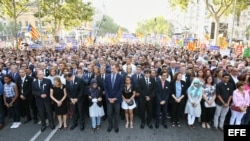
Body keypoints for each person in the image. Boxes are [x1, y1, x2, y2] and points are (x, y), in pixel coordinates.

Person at [104, 64, 124, 133]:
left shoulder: (120, 77)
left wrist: (115, 98)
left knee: (116, 113)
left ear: (117, 69)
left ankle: (116, 125)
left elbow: (121, 89)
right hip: (109, 99)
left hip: (117, 99)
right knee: (109, 113)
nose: (112, 69)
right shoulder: (107, 77)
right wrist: (108, 98)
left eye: (113, 68)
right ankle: (110, 125)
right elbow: (105, 89)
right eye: (111, 68)